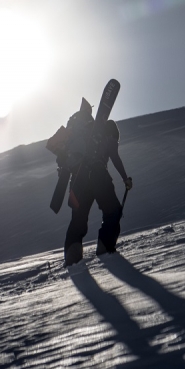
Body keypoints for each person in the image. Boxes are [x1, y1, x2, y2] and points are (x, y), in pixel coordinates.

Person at [62, 102, 132, 266]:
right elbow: (114, 156)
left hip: (77, 179)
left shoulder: (83, 134)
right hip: (98, 176)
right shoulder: (109, 132)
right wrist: (124, 178)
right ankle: (104, 247)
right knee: (113, 211)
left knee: (78, 220)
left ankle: (72, 257)